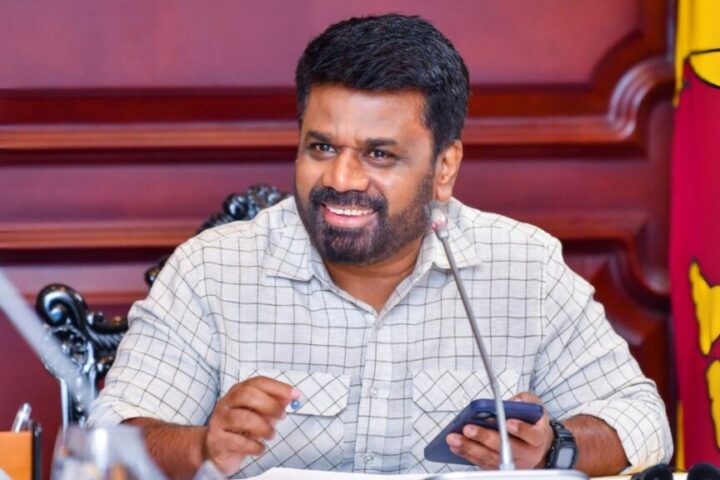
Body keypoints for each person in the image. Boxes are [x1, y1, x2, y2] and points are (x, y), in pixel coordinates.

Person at [88, 13, 673, 479]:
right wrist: (200, 446)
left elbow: (642, 421)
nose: (341, 178)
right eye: (321, 147)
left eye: (379, 154)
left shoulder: (525, 267)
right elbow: (107, 445)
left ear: (444, 168)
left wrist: (554, 447)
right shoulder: (212, 269)